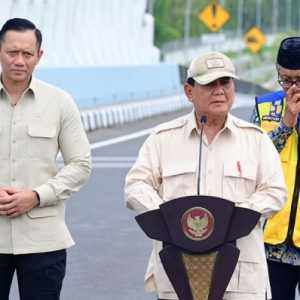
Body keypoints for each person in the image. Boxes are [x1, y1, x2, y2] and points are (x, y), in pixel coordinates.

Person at [124, 51, 287, 300]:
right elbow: (136, 186)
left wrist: (232, 218)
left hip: (240, 279)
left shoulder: (256, 140)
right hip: (178, 275)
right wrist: (173, 219)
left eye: (225, 83)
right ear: (189, 91)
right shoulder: (162, 139)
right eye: (210, 84)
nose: (219, 90)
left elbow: (275, 192)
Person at [0, 18, 91, 299]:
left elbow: (81, 164)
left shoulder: (60, 102)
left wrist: (37, 195)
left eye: (27, 54)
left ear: (39, 56)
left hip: (44, 240)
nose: (19, 60)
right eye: (12, 52)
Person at [253, 37, 300, 300]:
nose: (292, 87)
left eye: (299, 80)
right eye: (285, 80)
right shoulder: (264, 108)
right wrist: (287, 122)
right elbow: (254, 159)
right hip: (272, 242)